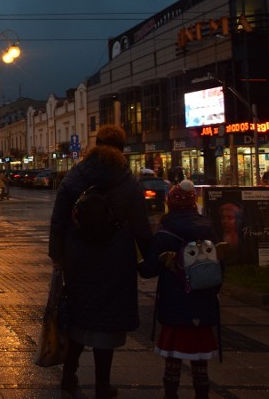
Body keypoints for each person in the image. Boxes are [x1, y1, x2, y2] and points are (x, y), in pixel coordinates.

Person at [48, 124, 152, 398]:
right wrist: (150, 260)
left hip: (78, 258)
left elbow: (58, 219)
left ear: (94, 143)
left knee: (79, 316)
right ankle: (102, 385)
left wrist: (57, 255)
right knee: (107, 322)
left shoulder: (74, 176)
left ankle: (68, 377)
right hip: (115, 260)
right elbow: (141, 226)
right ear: (121, 148)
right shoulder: (128, 180)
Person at [140, 180, 220, 399]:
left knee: (173, 358)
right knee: (200, 359)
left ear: (171, 203)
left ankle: (171, 394)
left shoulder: (166, 231)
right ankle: (202, 394)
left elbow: (149, 269)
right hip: (204, 302)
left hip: (175, 303)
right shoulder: (208, 228)